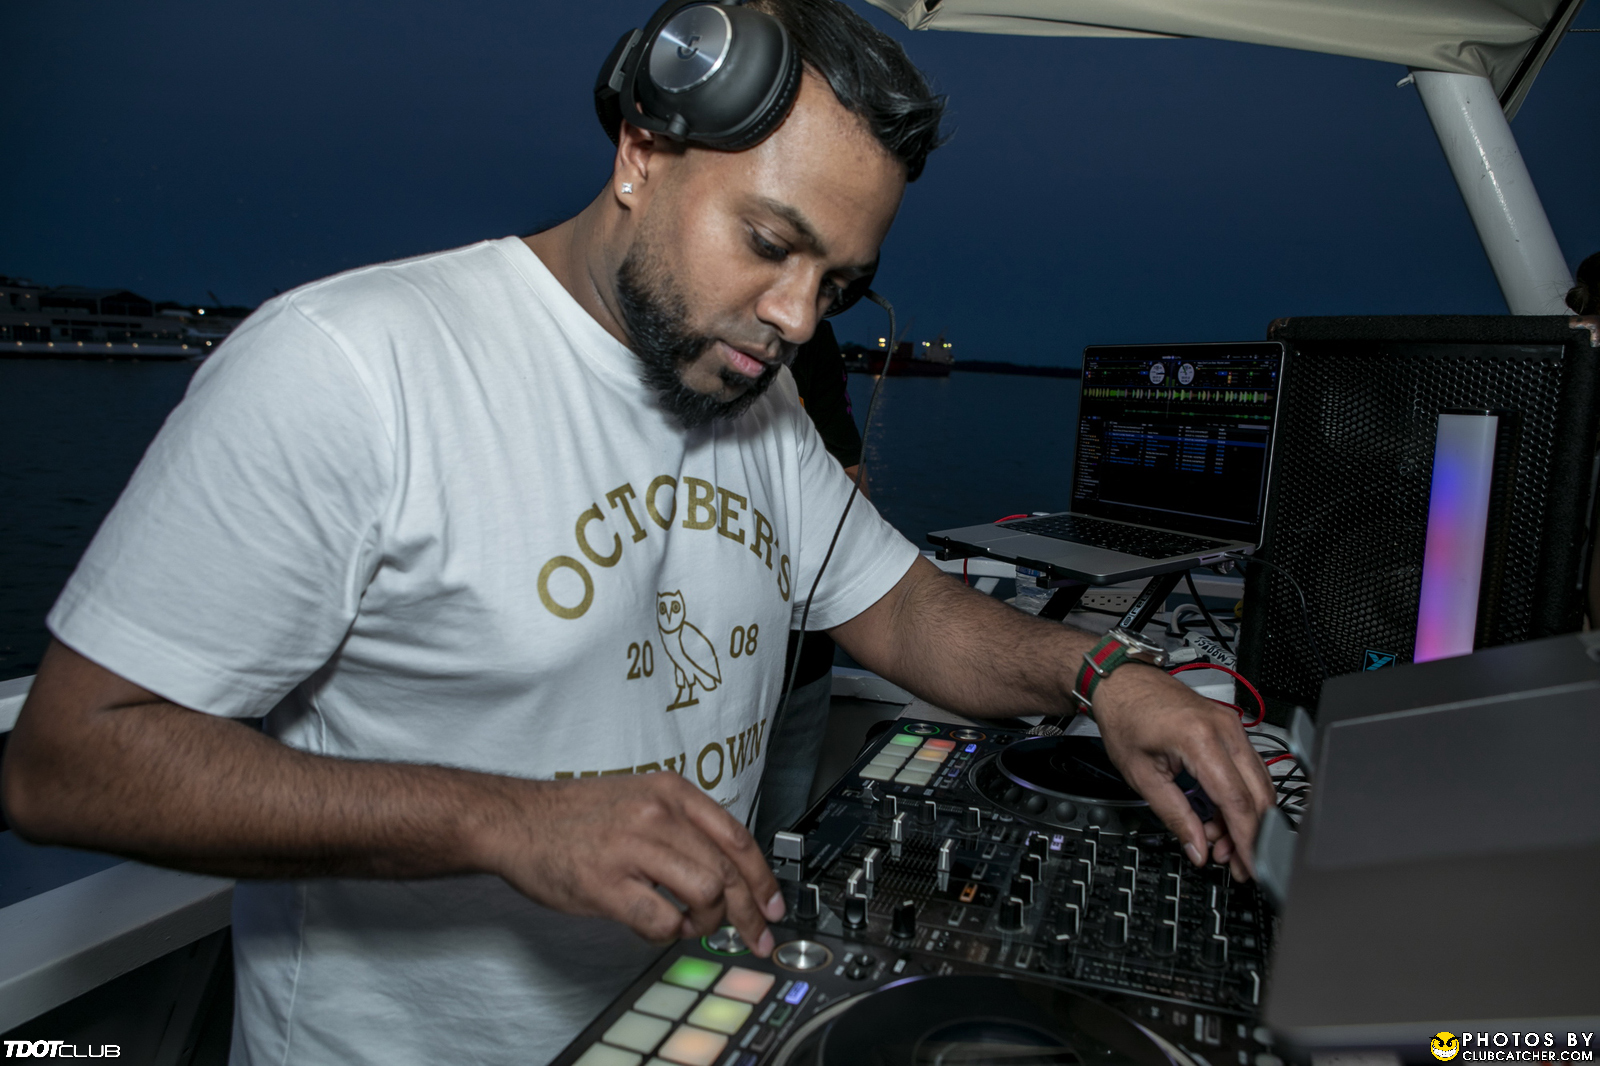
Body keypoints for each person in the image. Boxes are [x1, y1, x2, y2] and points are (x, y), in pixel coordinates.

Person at [0, 2, 1273, 1063]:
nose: (795, 318)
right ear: (641, 149)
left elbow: (898, 607)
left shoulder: (759, 397)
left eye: (835, 284)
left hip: (682, 1023)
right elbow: (67, 761)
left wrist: (1103, 675)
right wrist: (508, 820)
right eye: (769, 243)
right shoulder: (349, 367)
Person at [754, 318, 861, 849]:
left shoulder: (811, 337)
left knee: (778, 859)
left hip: (805, 661)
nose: (800, 311)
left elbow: (849, 486)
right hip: (694, 675)